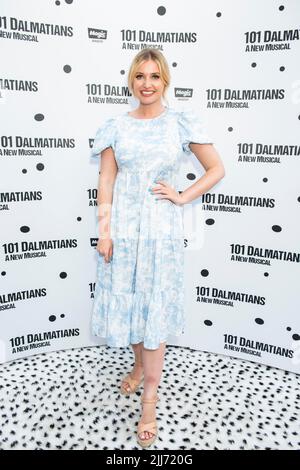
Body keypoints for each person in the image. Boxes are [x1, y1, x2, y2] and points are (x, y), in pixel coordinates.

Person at [90, 48, 225, 448]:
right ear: (131, 81)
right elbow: (106, 181)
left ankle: (149, 398)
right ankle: (137, 365)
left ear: (165, 80)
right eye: (139, 76)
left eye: (153, 76)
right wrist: (105, 230)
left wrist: (183, 196)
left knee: (153, 307)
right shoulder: (115, 126)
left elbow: (216, 168)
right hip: (124, 231)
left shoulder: (180, 123)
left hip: (160, 233)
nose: (146, 83)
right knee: (130, 304)